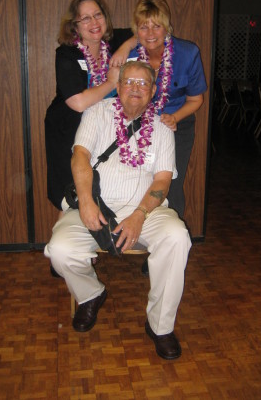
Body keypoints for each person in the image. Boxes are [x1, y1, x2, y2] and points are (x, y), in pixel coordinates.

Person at [44, 61, 192, 360]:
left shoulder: (162, 126)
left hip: (145, 211)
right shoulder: (96, 112)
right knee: (59, 250)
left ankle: (160, 326)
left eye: (143, 84)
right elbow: (80, 156)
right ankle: (91, 294)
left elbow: (163, 179)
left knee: (178, 237)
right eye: (129, 81)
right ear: (118, 84)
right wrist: (85, 200)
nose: (135, 88)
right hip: (95, 204)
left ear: (152, 91)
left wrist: (139, 215)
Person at [127, 0, 207, 275]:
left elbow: (196, 99)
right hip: (139, 126)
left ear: (167, 27)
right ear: (136, 29)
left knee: (171, 184)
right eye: (143, 27)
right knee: (142, 182)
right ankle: (143, 238)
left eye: (157, 26)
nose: (150, 34)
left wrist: (175, 117)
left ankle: (171, 250)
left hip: (177, 125)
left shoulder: (188, 53)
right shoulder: (129, 54)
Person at [45, 0, 133, 211]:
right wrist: (112, 83)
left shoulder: (114, 42)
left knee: (106, 186)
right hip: (69, 129)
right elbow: (78, 102)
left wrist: (126, 47)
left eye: (98, 15)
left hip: (106, 129)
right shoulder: (67, 54)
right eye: (85, 18)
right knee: (74, 192)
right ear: (74, 25)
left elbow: (143, 32)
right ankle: (71, 236)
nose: (94, 22)